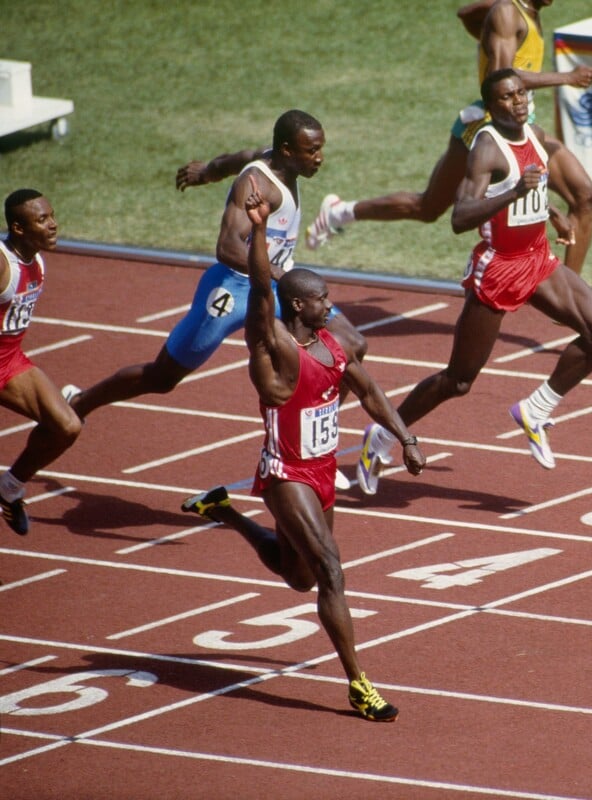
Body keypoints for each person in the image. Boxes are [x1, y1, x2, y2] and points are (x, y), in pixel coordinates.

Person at [181, 175, 425, 722]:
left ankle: (224, 512)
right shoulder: (276, 347)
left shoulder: (334, 346)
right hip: (285, 473)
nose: (331, 307)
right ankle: (359, 684)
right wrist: (262, 231)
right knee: (332, 571)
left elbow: (370, 390)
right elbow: (264, 291)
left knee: (299, 576)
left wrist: (405, 438)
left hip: (320, 472)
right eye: (322, 300)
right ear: (297, 305)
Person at [356, 69, 592, 493]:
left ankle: (537, 409)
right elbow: (460, 217)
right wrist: (514, 194)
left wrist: (551, 213)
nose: (517, 102)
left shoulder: (533, 132)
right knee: (458, 381)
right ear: (491, 107)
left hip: (537, 259)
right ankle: (383, 436)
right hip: (498, 268)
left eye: (520, 94)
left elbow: (535, 184)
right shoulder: (486, 148)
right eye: (506, 98)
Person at [65, 110, 367, 435]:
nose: (320, 158)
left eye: (320, 148)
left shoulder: (269, 159)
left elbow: (234, 159)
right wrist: (280, 274)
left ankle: (316, 437)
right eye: (312, 151)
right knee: (162, 377)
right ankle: (79, 402)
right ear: (287, 150)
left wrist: (206, 172)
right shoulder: (257, 186)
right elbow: (227, 247)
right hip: (232, 290)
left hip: (278, 289)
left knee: (351, 343)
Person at [305, 0, 592, 275]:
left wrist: (483, 20)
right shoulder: (509, 12)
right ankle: (339, 212)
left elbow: (465, 14)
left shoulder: (525, 12)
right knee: (428, 208)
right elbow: (498, 79)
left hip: (524, 125)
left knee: (585, 195)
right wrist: (567, 78)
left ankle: (573, 298)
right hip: (490, 130)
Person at [0, 190, 82, 535]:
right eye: (42, 220)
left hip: (9, 362)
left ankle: (9, 488)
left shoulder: (36, 261)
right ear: (18, 227)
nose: (53, 225)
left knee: (66, 426)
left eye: (51, 216)